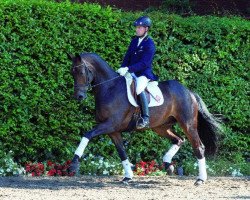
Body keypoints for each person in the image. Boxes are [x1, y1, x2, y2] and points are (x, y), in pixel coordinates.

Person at [117, 16, 158, 129]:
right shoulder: (134, 41)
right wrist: (123, 68)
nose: (137, 29)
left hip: (143, 74)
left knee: (139, 88)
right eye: (137, 27)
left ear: (146, 29)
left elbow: (144, 63)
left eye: (139, 28)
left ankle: (145, 118)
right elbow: (127, 56)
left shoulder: (149, 44)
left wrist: (129, 69)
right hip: (130, 71)